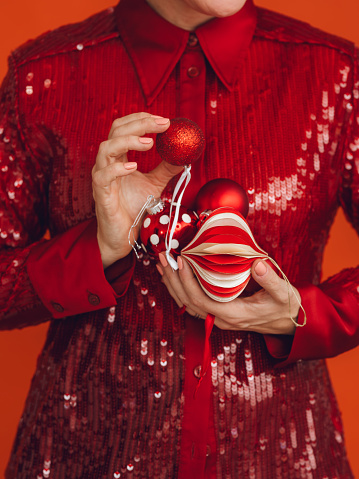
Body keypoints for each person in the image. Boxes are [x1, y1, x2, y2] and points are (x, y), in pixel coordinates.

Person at [1, 0, 358, 477]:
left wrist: (306, 316)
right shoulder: (41, 77)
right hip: (83, 457)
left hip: (283, 455)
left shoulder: (336, 75)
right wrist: (102, 246)